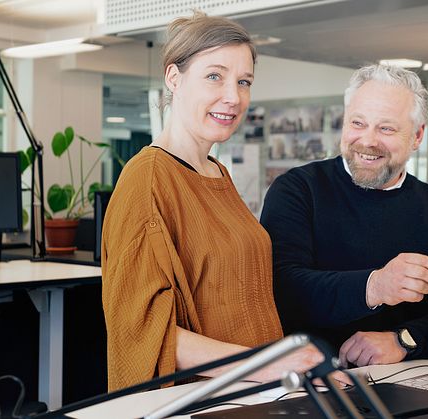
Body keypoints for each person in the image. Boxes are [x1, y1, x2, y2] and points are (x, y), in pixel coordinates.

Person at [101, 12, 319, 391]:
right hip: (206, 398)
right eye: (214, 76)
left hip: (255, 390)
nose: (233, 97)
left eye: (244, 81)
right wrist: (266, 365)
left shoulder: (217, 172)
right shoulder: (148, 177)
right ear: (174, 77)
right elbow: (143, 333)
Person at [260, 64, 428, 368]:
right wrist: (375, 286)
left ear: (417, 136)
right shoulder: (298, 189)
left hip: (412, 376)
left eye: (386, 128)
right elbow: (282, 291)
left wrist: (404, 340)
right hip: (318, 380)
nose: (368, 141)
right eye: (358, 123)